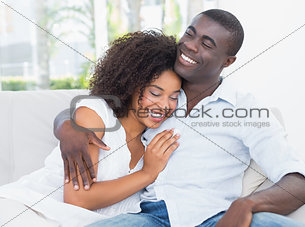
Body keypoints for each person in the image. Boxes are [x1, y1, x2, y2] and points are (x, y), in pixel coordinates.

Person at [54, 9, 305, 227]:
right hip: (148, 218)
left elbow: (300, 182)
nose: (190, 46)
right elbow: (104, 99)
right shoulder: (156, 86)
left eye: (206, 44)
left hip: (214, 218)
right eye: (190, 34)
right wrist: (68, 125)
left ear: (228, 61)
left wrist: (246, 204)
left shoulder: (245, 110)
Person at [0, 31, 182, 226]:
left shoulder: (156, 141)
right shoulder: (97, 113)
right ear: (130, 84)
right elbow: (77, 198)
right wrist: (147, 174)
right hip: (31, 209)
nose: (164, 105)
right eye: (155, 93)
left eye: (173, 97)